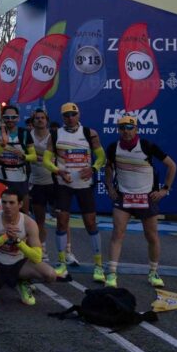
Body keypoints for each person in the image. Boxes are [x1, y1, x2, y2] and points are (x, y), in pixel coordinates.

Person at [104, 115, 177, 288]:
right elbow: (108, 167)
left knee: (151, 236)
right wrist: (110, 187)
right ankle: (112, 274)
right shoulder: (113, 147)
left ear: (136, 129)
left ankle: (153, 272)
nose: (126, 131)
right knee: (117, 234)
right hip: (124, 197)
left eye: (130, 128)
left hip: (146, 197)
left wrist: (165, 190)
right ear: (118, 130)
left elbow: (172, 165)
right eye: (122, 128)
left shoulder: (146, 145)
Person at [0, 189, 57, 304]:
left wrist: (18, 241)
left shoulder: (29, 223)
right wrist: (4, 237)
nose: (7, 206)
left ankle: (24, 281)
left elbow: (38, 257)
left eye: (11, 202)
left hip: (19, 264)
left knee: (50, 275)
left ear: (20, 204)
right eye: (4, 202)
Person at [52, 102, 106, 282]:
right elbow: (46, 160)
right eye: (66, 115)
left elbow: (101, 156)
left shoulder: (89, 133)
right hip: (63, 184)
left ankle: (98, 266)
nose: (70, 118)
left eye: (73, 114)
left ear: (79, 115)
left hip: (84, 185)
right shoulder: (55, 134)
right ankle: (61, 263)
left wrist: (93, 168)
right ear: (62, 117)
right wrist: (57, 171)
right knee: (61, 222)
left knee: (90, 223)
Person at [27, 108, 59, 263]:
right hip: (36, 183)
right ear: (33, 121)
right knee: (39, 220)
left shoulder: (54, 137)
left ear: (47, 120)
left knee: (62, 219)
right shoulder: (28, 136)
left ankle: (66, 252)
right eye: (37, 118)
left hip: (53, 182)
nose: (40, 120)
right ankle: (43, 249)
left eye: (42, 118)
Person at [0, 108, 35, 213]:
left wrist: (24, 156)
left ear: (18, 118)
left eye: (13, 117)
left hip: (19, 176)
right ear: (3, 118)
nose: (10, 120)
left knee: (22, 210)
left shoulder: (24, 133)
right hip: (0, 176)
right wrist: (2, 145)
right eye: (7, 117)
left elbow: (34, 156)